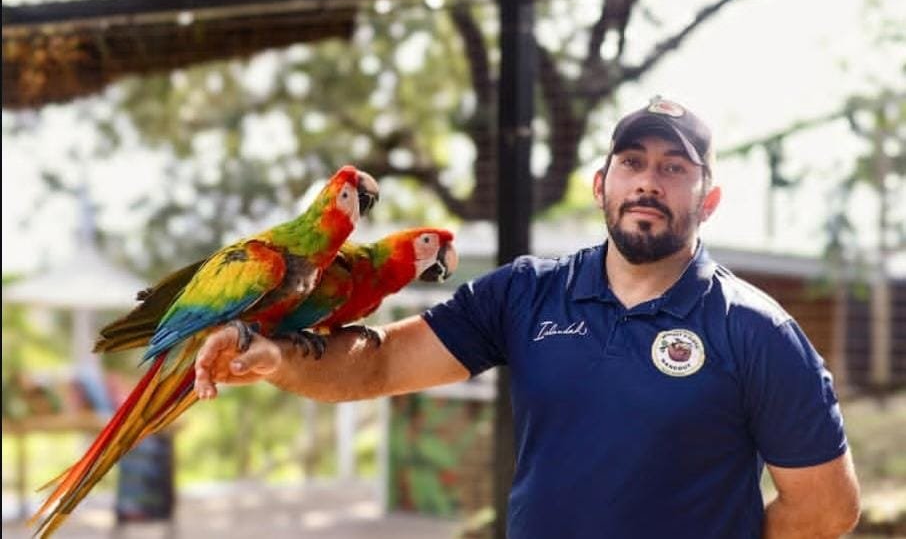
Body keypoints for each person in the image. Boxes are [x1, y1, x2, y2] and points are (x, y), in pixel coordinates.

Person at [193, 97, 861, 538]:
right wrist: (276, 355)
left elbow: (827, 508)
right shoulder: (526, 294)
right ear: (600, 185)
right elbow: (383, 363)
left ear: (708, 200)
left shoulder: (757, 331)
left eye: (674, 168)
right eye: (631, 162)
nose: (648, 181)